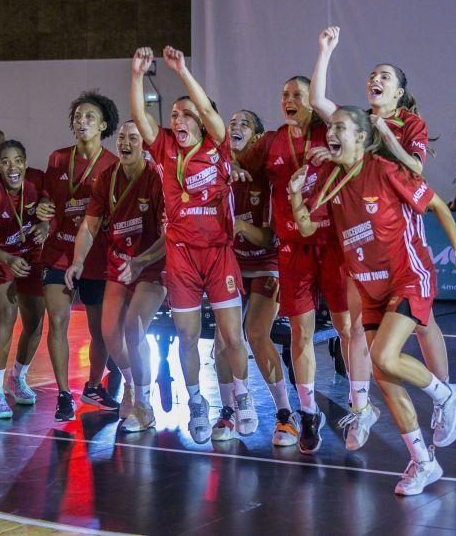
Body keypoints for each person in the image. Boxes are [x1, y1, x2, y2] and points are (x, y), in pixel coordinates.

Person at [289, 106, 456, 495]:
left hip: (408, 278)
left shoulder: (386, 169)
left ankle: (447, 394)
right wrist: (294, 197)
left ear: (361, 136)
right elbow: (306, 226)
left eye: (341, 126)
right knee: (386, 381)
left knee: (385, 357)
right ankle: (424, 462)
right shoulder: (331, 181)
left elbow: (438, 205)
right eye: (331, 128)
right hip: (369, 288)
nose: (332, 133)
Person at [310, 26, 448, 449]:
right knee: (353, 326)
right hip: (358, 235)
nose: (376, 79)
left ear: (400, 93)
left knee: (423, 325)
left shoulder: (410, 123)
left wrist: (386, 138)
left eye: (385, 76)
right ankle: (361, 406)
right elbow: (318, 101)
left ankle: (445, 397)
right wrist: (326, 51)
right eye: (373, 74)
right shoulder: (354, 122)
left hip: (398, 231)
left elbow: (418, 172)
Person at [130, 47, 255, 444]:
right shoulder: (166, 148)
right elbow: (140, 118)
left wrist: (183, 72)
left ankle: (241, 397)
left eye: (186, 114)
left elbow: (208, 112)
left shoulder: (218, 146)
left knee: (232, 336)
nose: (177, 120)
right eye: (173, 115)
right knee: (187, 336)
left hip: (218, 253)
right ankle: (197, 402)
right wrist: (136, 76)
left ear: (201, 120)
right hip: (181, 255)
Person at [234, 72, 353, 454]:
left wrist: (334, 153)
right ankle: (306, 414)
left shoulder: (328, 133)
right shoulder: (271, 142)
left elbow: (357, 155)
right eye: (285, 94)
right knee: (301, 334)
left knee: (345, 328)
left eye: (297, 95)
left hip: (332, 245)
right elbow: (235, 159)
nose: (290, 100)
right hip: (291, 249)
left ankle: (359, 404)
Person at [66, 120, 167, 432]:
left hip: (151, 266)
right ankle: (131, 384)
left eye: (133, 138)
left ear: (145, 144)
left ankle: (145, 404)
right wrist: (77, 261)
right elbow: (89, 225)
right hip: (119, 265)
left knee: (134, 328)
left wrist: (142, 261)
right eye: (122, 137)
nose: (126, 142)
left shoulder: (155, 177)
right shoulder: (107, 179)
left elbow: (170, 233)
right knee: (110, 333)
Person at [36, 90, 122, 421]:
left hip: (95, 257)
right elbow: (48, 201)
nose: (81, 121)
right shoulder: (58, 158)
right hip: (59, 251)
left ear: (103, 125)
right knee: (57, 320)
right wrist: (42, 210)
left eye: (89, 116)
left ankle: (92, 386)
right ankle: (62, 394)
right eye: (77, 116)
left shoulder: (113, 165)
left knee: (100, 331)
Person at [215, 109, 295, 444]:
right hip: (232, 265)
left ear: (258, 137)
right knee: (222, 342)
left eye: (244, 123)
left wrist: (241, 226)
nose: (235, 127)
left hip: (265, 262)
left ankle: (285, 415)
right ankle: (228, 410)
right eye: (231, 123)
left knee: (257, 333)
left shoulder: (268, 176)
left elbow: (268, 238)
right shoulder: (218, 172)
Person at [0, 139, 47, 418]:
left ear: (26, 162)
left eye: (18, 160)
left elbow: (51, 201)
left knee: (36, 320)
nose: (13, 166)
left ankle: (17, 377)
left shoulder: (36, 181)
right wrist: (7, 259)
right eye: (5, 162)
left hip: (30, 257)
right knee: (7, 313)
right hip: (0, 258)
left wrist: (45, 223)